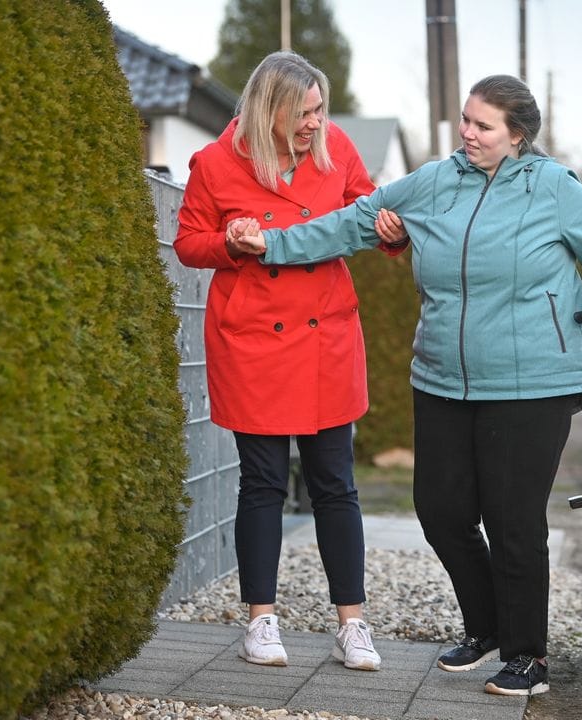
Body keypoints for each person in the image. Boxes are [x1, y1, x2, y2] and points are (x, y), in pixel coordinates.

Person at [227, 74, 582, 696]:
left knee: (512, 518)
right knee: (440, 511)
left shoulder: (553, 186)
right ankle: (487, 627)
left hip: (531, 381)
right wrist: (272, 243)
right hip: (442, 375)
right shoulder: (435, 181)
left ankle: (529, 658)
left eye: (484, 125)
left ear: (517, 134)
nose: (468, 133)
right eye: (466, 120)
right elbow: (351, 223)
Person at [172, 51, 408, 672]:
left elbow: (369, 212)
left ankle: (352, 625)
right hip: (254, 340)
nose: (315, 122)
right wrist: (228, 241)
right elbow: (189, 242)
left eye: (320, 108)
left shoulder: (336, 148)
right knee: (264, 483)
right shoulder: (216, 163)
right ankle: (260, 619)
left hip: (326, 334)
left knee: (337, 483)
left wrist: (393, 230)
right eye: (303, 111)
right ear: (268, 109)